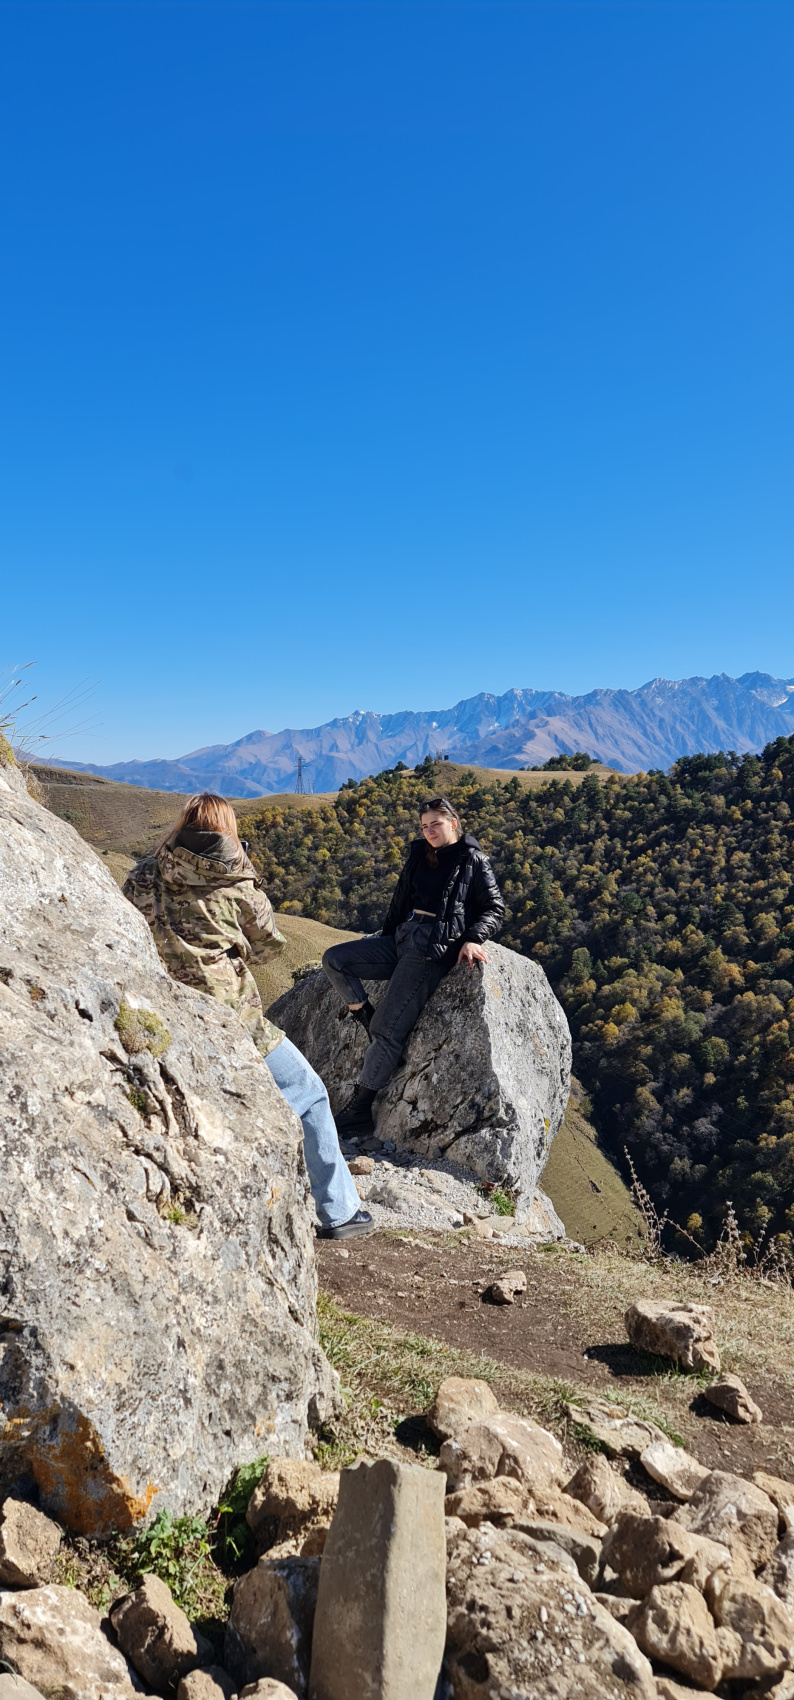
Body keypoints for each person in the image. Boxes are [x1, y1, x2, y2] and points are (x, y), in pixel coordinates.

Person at [123, 792, 372, 1240]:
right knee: (311, 1095)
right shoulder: (237, 884)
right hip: (232, 1022)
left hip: (163, 1016)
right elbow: (269, 946)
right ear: (227, 830)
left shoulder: (142, 875)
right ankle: (340, 1212)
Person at [322, 795, 505, 1136]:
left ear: (453, 822)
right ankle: (367, 1017)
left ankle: (360, 1111)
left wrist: (473, 938)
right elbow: (401, 900)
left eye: (436, 824)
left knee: (389, 1032)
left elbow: (494, 908)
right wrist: (387, 935)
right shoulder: (421, 854)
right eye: (424, 826)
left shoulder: (473, 859)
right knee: (335, 959)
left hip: (432, 947)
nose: (430, 831)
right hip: (402, 937)